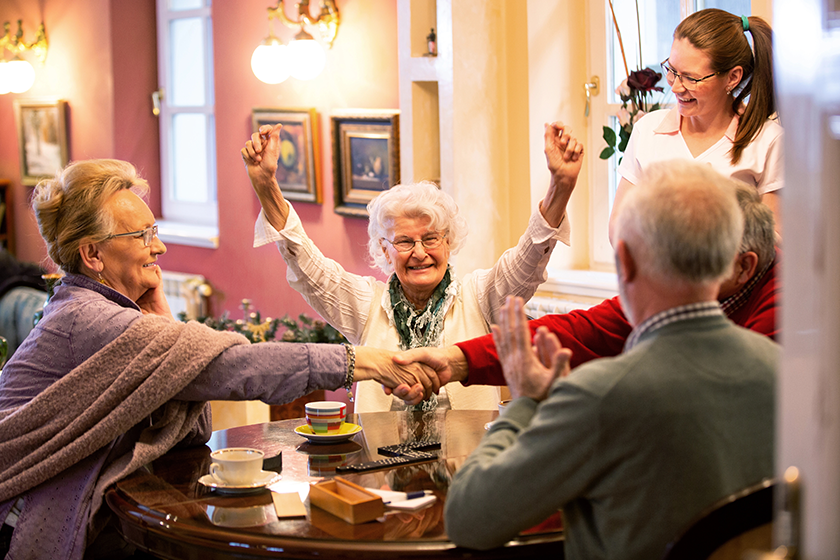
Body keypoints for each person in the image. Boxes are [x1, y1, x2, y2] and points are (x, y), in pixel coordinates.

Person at [0, 159, 437, 560]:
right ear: (92, 255)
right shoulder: (88, 319)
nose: (160, 248)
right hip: (29, 516)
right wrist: (365, 361)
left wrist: (167, 331)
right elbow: (234, 368)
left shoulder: (108, 314)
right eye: (142, 236)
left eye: (156, 231)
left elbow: (195, 430)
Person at [444, 160, 777, 559]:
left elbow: (469, 519)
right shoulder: (784, 371)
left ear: (626, 260)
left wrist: (527, 402)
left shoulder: (600, 396)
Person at [242, 121, 584, 412]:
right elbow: (310, 269)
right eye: (405, 242)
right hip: (380, 469)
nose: (419, 252)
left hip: (468, 464)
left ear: (448, 242)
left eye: (431, 238)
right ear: (385, 250)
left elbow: (524, 263)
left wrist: (561, 187)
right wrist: (266, 187)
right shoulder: (366, 305)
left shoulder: (479, 296)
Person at [389, 180, 778, 397]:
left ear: (745, 267)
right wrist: (456, 360)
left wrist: (532, 400)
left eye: (702, 255)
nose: (679, 269)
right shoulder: (683, 289)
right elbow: (581, 331)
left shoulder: (788, 311)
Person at [611, 8, 783, 242]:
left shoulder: (767, 141)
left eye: (691, 78)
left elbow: (774, 245)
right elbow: (617, 231)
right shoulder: (647, 130)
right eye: (672, 70)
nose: (676, 87)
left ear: (732, 77)